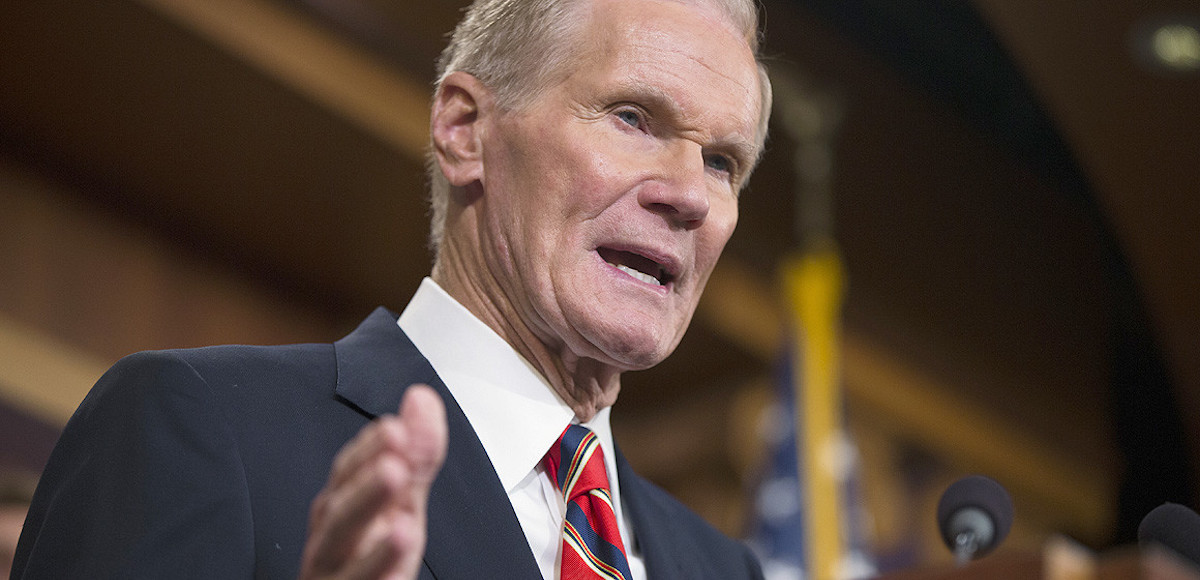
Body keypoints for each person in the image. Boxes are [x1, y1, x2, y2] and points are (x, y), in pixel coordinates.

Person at [12, 0, 772, 577]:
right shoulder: (199, 427)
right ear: (464, 130)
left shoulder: (722, 568)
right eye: (633, 118)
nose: (691, 196)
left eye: (722, 163)